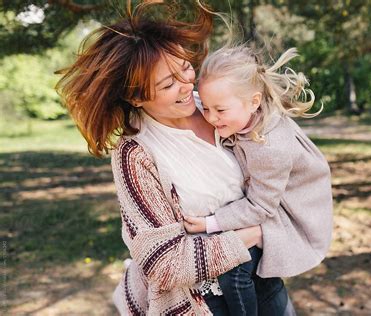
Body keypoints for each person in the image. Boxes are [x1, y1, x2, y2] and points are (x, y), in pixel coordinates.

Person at [56, 1, 295, 315]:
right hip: (206, 299)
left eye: (185, 67)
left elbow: (283, 166)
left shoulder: (219, 105)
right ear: (136, 97)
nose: (187, 86)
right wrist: (254, 234)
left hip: (264, 275)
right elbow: (164, 262)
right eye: (168, 84)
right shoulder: (136, 154)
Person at [183, 45, 333, 315]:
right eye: (206, 107)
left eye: (219, 110)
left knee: (234, 271)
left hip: (289, 212)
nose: (211, 117)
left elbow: (261, 207)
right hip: (268, 201)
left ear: (254, 101)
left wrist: (211, 222)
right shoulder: (240, 114)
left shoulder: (269, 146)